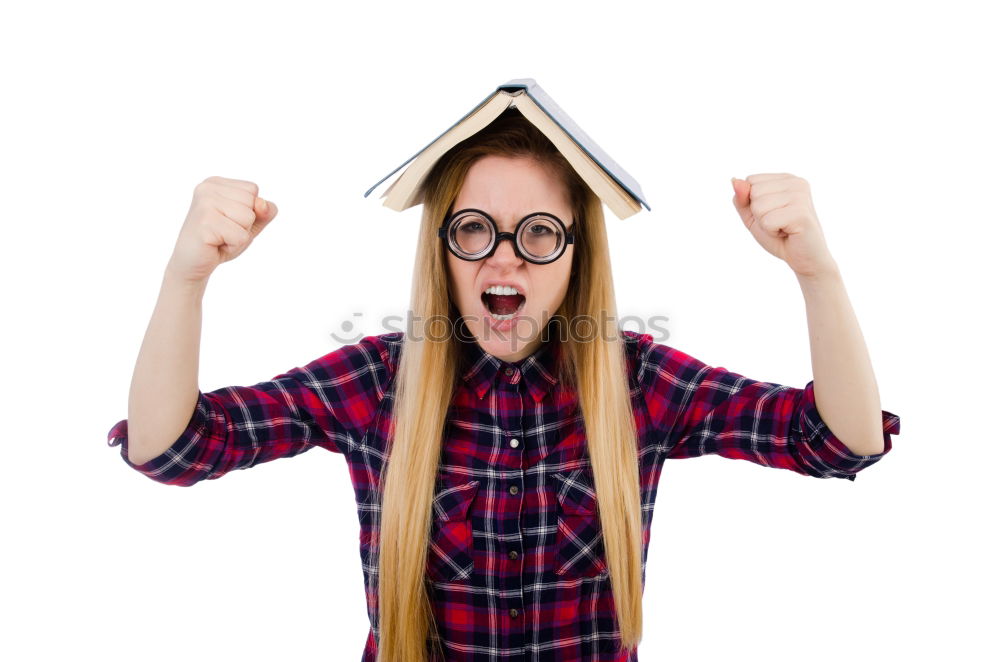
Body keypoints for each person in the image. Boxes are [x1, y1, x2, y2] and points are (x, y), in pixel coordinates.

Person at [107, 109, 901, 662]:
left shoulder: (638, 384)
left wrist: (815, 271)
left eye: (540, 234)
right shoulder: (378, 383)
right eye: (475, 228)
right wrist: (187, 279)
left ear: (576, 253)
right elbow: (173, 449)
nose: (505, 258)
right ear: (444, 246)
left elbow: (837, 441)